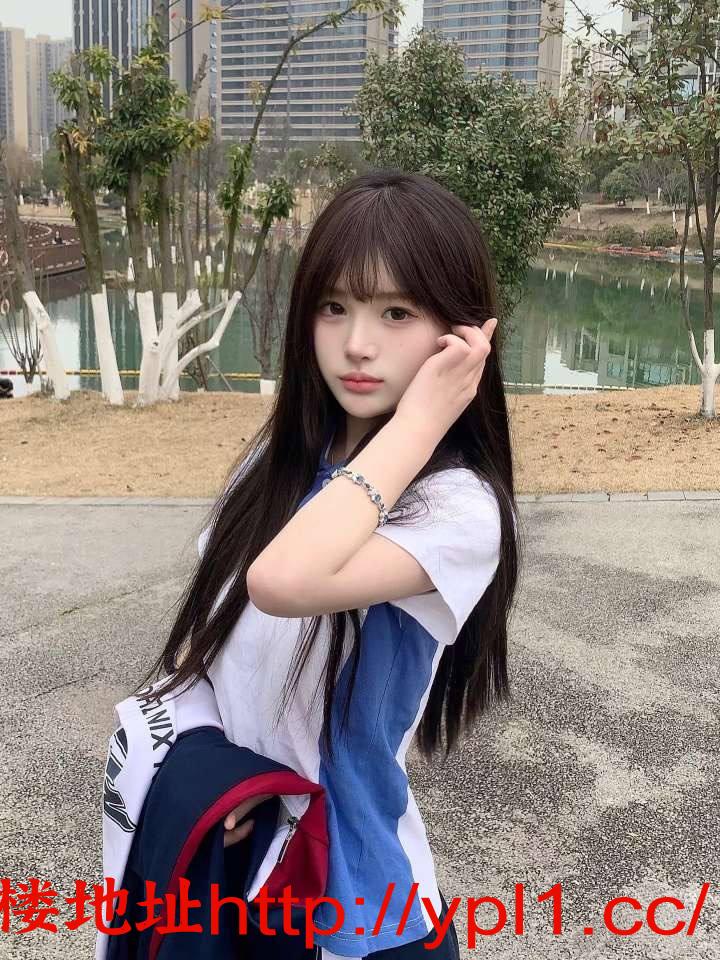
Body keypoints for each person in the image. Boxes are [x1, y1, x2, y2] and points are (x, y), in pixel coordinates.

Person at [133, 168, 522, 959]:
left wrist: (421, 420)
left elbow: (283, 584)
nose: (356, 345)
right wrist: (216, 768)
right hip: (238, 871)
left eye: (397, 313)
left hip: (359, 910)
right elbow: (204, 639)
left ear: (460, 338)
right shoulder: (275, 466)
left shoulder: (457, 508)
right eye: (333, 306)